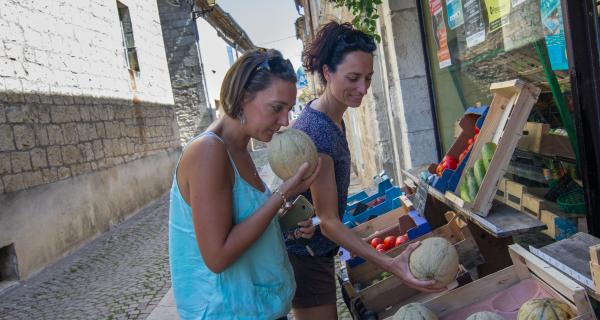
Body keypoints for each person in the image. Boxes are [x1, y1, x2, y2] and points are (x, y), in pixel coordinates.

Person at [287, 22, 443, 319]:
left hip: (315, 251)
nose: (363, 88)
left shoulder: (332, 117)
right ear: (327, 72)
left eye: (368, 78)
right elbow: (330, 221)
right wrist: (391, 264)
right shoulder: (317, 134)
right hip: (305, 257)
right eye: (354, 78)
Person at [169, 48, 321, 320]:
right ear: (242, 98)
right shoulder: (208, 151)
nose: (285, 121)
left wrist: (286, 227)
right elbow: (218, 256)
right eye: (276, 108)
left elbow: (241, 225)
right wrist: (282, 193)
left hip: (259, 308)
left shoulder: (240, 147)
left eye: (288, 109)